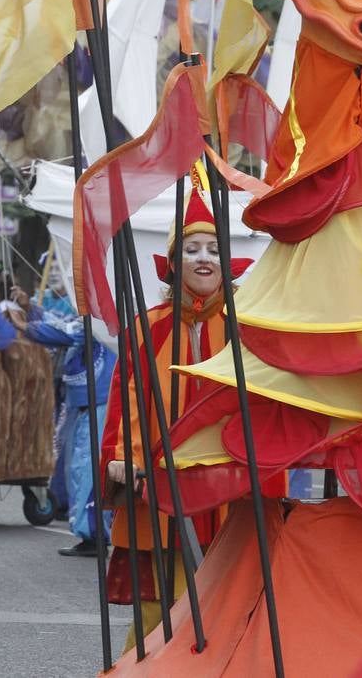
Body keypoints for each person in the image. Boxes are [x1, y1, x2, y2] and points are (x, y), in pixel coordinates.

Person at [99, 180, 256, 650]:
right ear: (173, 263)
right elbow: (128, 395)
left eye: (213, 249)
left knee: (228, 604)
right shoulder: (148, 327)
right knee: (158, 609)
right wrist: (124, 457)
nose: (204, 258)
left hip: (228, 484)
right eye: (191, 250)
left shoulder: (247, 328)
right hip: (160, 484)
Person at [18, 285, 113, 557]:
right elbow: (64, 323)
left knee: (88, 469)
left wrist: (25, 326)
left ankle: (95, 534)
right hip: (84, 399)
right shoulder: (93, 311)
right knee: (78, 466)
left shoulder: (104, 315)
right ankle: (88, 532)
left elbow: (69, 331)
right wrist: (30, 309)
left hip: (99, 397)